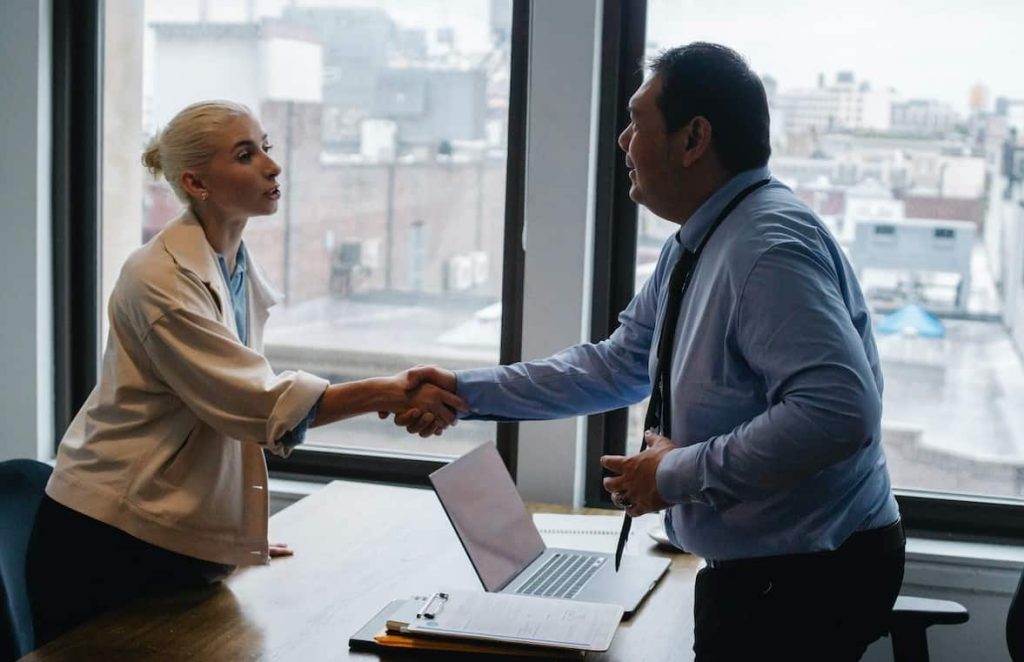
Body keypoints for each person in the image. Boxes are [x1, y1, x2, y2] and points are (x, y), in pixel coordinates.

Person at [387, 43, 904, 661]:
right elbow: (619, 364)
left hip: (802, 578)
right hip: (771, 568)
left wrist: (672, 474)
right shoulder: (700, 240)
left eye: (637, 123)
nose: (623, 141)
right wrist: (462, 392)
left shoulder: (766, 249)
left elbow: (837, 413)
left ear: (693, 140)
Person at [26, 100, 467, 646]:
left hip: (167, 530)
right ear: (196, 181)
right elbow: (253, 404)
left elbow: (226, 411)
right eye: (245, 154)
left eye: (266, 148)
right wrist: (390, 391)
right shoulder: (159, 279)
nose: (272, 166)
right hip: (110, 537)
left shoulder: (230, 264)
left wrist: (233, 533)